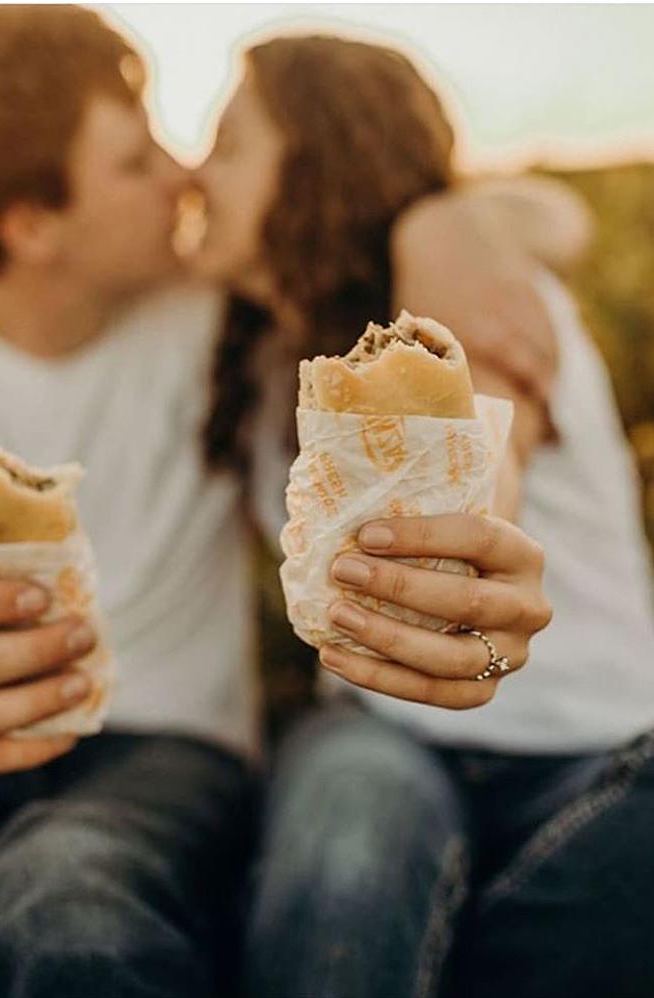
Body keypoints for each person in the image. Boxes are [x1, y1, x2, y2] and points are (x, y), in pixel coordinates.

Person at [0, 7, 567, 996]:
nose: (184, 176)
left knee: (74, 909)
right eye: (136, 162)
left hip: (161, 756)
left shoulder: (230, 318)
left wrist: (447, 228)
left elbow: (538, 213)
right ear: (31, 225)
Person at [191, 33, 654, 998]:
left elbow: (497, 427)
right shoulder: (265, 353)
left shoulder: (470, 303)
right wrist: (465, 216)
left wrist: (482, 549)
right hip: (375, 729)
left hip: (605, 747)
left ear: (319, 162)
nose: (199, 169)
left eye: (231, 144)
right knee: (344, 872)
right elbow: (549, 209)